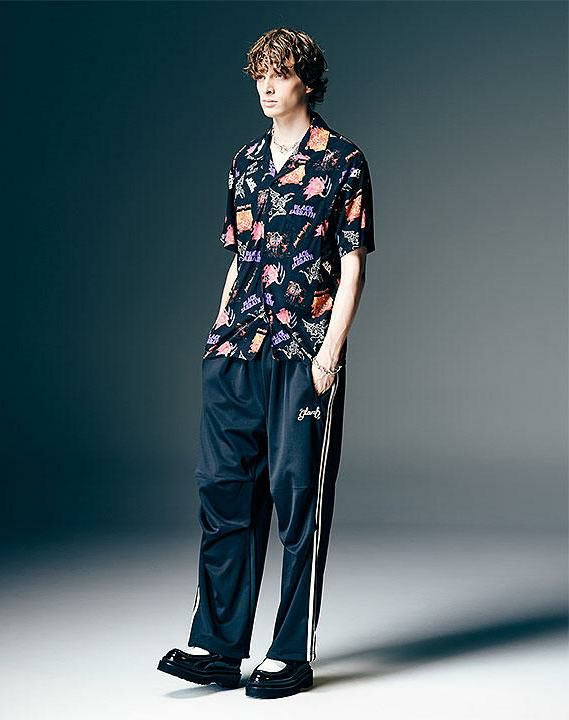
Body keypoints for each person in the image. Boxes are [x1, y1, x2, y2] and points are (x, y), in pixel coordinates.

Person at [157, 27, 375, 699]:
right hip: (238, 349)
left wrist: (330, 354)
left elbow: (352, 265)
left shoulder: (343, 161)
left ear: (306, 80)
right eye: (260, 74)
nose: (267, 85)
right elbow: (240, 258)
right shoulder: (245, 163)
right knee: (223, 491)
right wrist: (217, 332)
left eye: (279, 73)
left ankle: (290, 653)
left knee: (297, 496)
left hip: (303, 350)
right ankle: (219, 647)